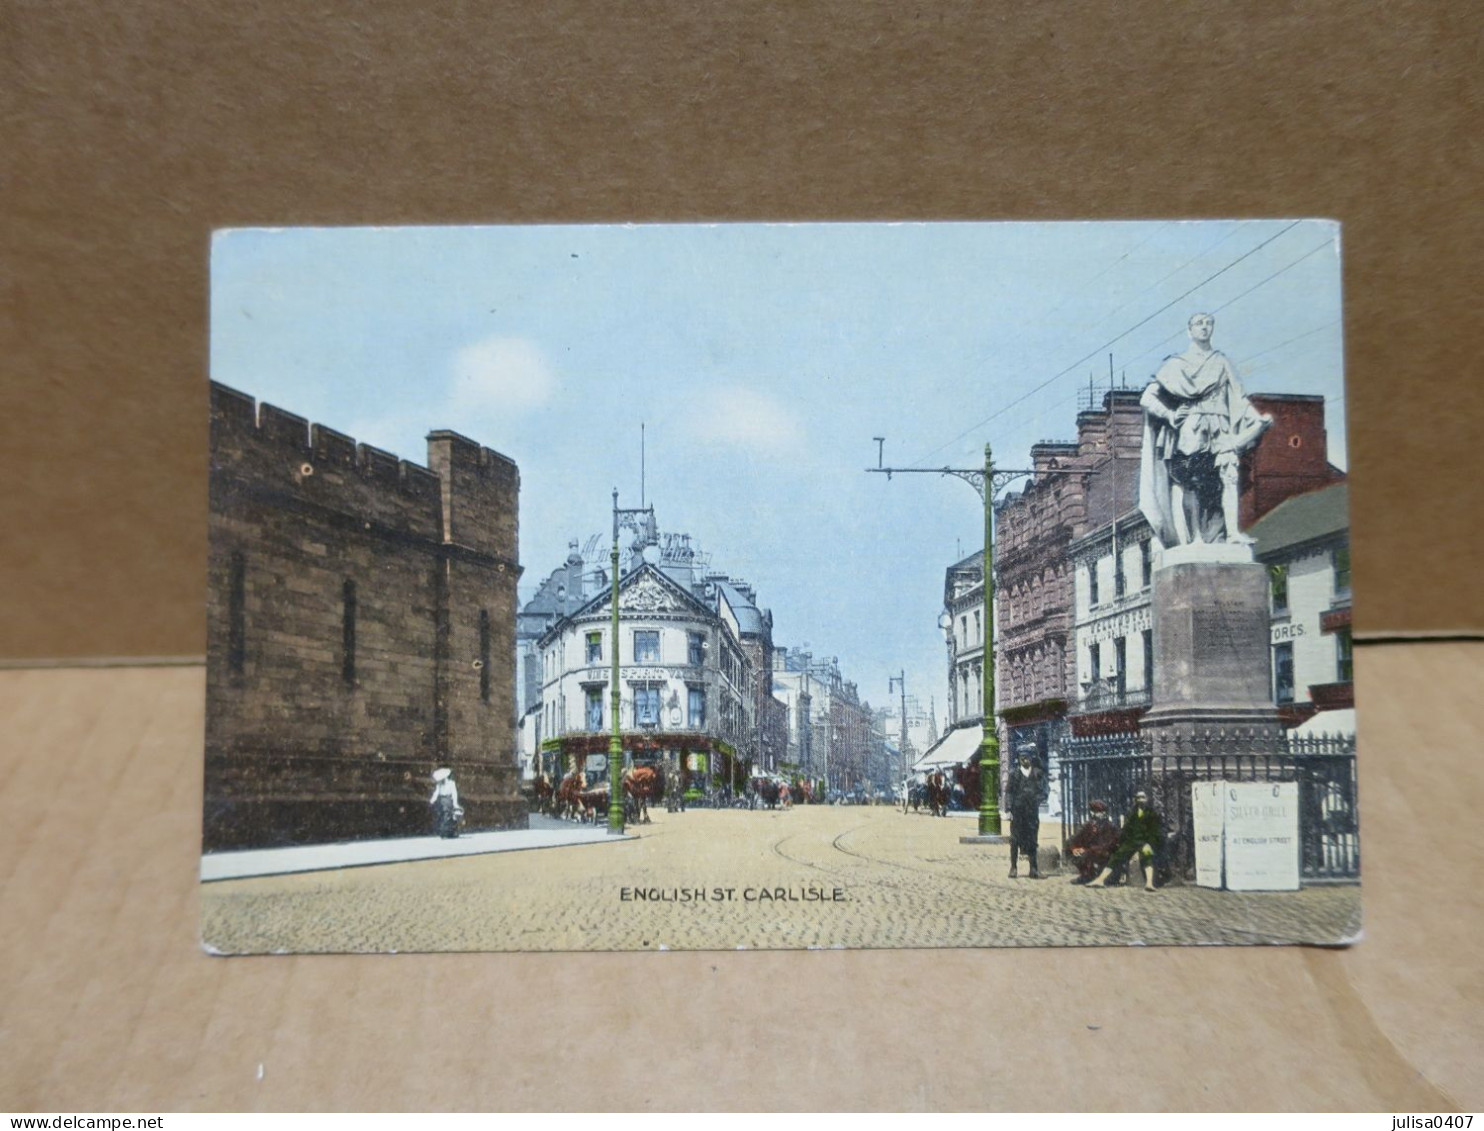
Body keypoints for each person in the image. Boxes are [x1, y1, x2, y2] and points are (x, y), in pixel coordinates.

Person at [1139, 313, 1272, 549]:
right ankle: (1195, 538)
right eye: (1199, 323)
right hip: (1192, 426)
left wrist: (1256, 420)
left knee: (1229, 477)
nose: (1204, 327)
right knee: (1193, 481)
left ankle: (1231, 533)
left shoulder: (1221, 361)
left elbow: (1238, 397)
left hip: (1220, 426)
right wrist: (1170, 415)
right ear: (1189, 331)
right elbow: (1147, 398)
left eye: (1208, 323)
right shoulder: (1176, 364)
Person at [1088, 790, 1164, 891]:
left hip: (1145, 842)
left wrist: (1149, 844)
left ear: (1147, 799)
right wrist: (1121, 842)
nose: (1141, 800)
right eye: (1138, 798)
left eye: (1143, 797)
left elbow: (1155, 831)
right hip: (1131, 841)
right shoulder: (1132, 812)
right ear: (1135, 799)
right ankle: (1100, 880)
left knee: (1147, 856)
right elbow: (1126, 829)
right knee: (1117, 856)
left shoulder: (1152, 813)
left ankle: (1149, 883)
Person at [1004, 747, 1044, 878]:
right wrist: (1009, 810)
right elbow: (1009, 792)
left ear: (1031, 758)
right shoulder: (1014, 774)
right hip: (1018, 812)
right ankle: (1013, 868)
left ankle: (1033, 868)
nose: (1024, 760)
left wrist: (1037, 800)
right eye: (1021, 758)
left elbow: (1043, 790)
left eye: (1026, 757)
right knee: (1015, 840)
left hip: (1032, 812)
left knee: (1032, 839)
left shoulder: (1037, 773)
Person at [1067, 800, 1119, 884]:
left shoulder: (1110, 826)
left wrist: (1087, 850)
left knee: (1088, 855)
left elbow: (1107, 845)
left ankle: (1094, 875)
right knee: (1075, 853)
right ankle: (1086, 875)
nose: (1098, 814)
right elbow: (1075, 838)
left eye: (1101, 812)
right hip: (1091, 851)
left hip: (1104, 852)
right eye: (1096, 812)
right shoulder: (1088, 825)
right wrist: (1074, 848)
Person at [429, 767, 462, 838]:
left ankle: (449, 832)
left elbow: (454, 793)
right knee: (442, 816)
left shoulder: (451, 783)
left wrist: (455, 803)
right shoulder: (439, 784)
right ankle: (444, 832)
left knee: (448, 816)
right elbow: (436, 793)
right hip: (441, 801)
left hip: (448, 800)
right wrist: (432, 800)